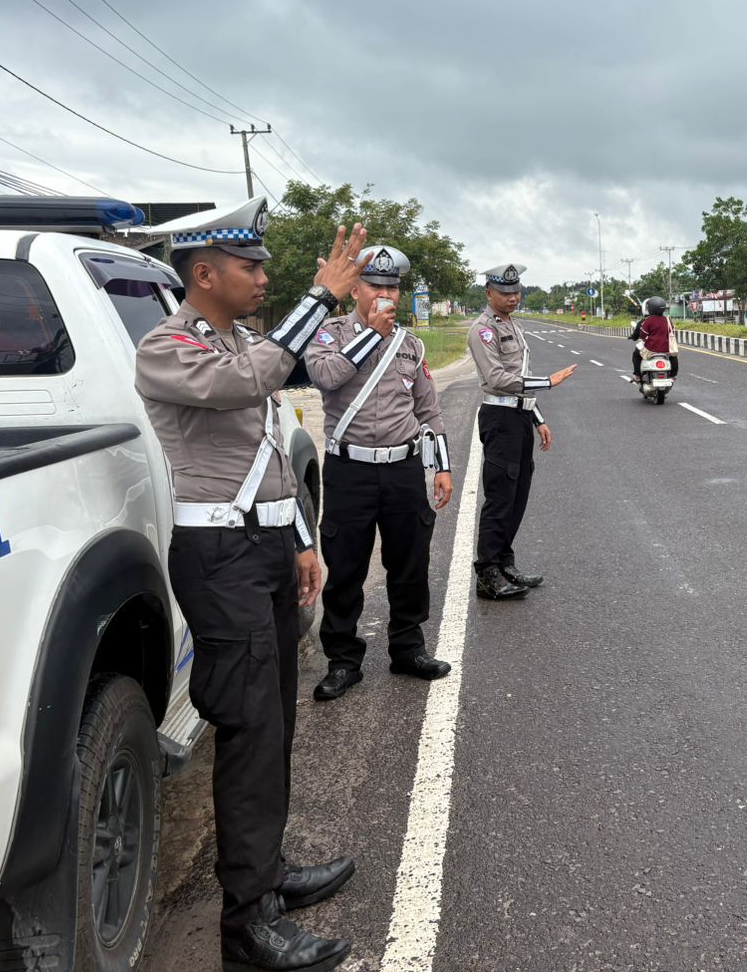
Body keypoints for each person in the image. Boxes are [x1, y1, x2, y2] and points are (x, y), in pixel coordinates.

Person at [135, 197, 368, 971]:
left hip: (264, 547)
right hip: (220, 558)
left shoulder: (237, 338)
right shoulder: (167, 346)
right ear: (204, 273)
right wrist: (322, 296)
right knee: (247, 729)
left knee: (274, 724)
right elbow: (249, 385)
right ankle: (247, 927)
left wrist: (301, 539)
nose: (263, 275)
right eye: (250, 265)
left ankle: (265, 877)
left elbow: (269, 448)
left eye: (266, 266)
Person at [305, 244, 453, 703]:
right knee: (346, 566)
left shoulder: (411, 344)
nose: (385, 294)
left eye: (392, 287)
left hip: (404, 467)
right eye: (375, 286)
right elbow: (325, 376)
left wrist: (442, 467)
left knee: (410, 563)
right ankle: (343, 659)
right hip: (350, 468)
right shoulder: (329, 333)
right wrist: (369, 333)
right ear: (356, 289)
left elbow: (428, 408)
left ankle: (408, 648)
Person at [467, 264, 575, 599]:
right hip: (499, 419)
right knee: (500, 497)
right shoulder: (483, 329)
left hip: (519, 416)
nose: (513, 298)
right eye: (505, 293)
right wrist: (549, 382)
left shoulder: (513, 324)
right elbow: (499, 379)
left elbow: (519, 379)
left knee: (517, 496)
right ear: (489, 293)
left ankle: (504, 562)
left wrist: (537, 417)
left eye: (516, 292)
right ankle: (487, 574)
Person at [629, 296, 678, 380]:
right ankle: (673, 375)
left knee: (636, 355)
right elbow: (672, 331)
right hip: (666, 350)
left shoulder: (648, 320)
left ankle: (637, 375)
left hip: (650, 350)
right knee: (674, 357)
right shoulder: (667, 320)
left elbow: (643, 335)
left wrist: (645, 339)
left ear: (650, 308)